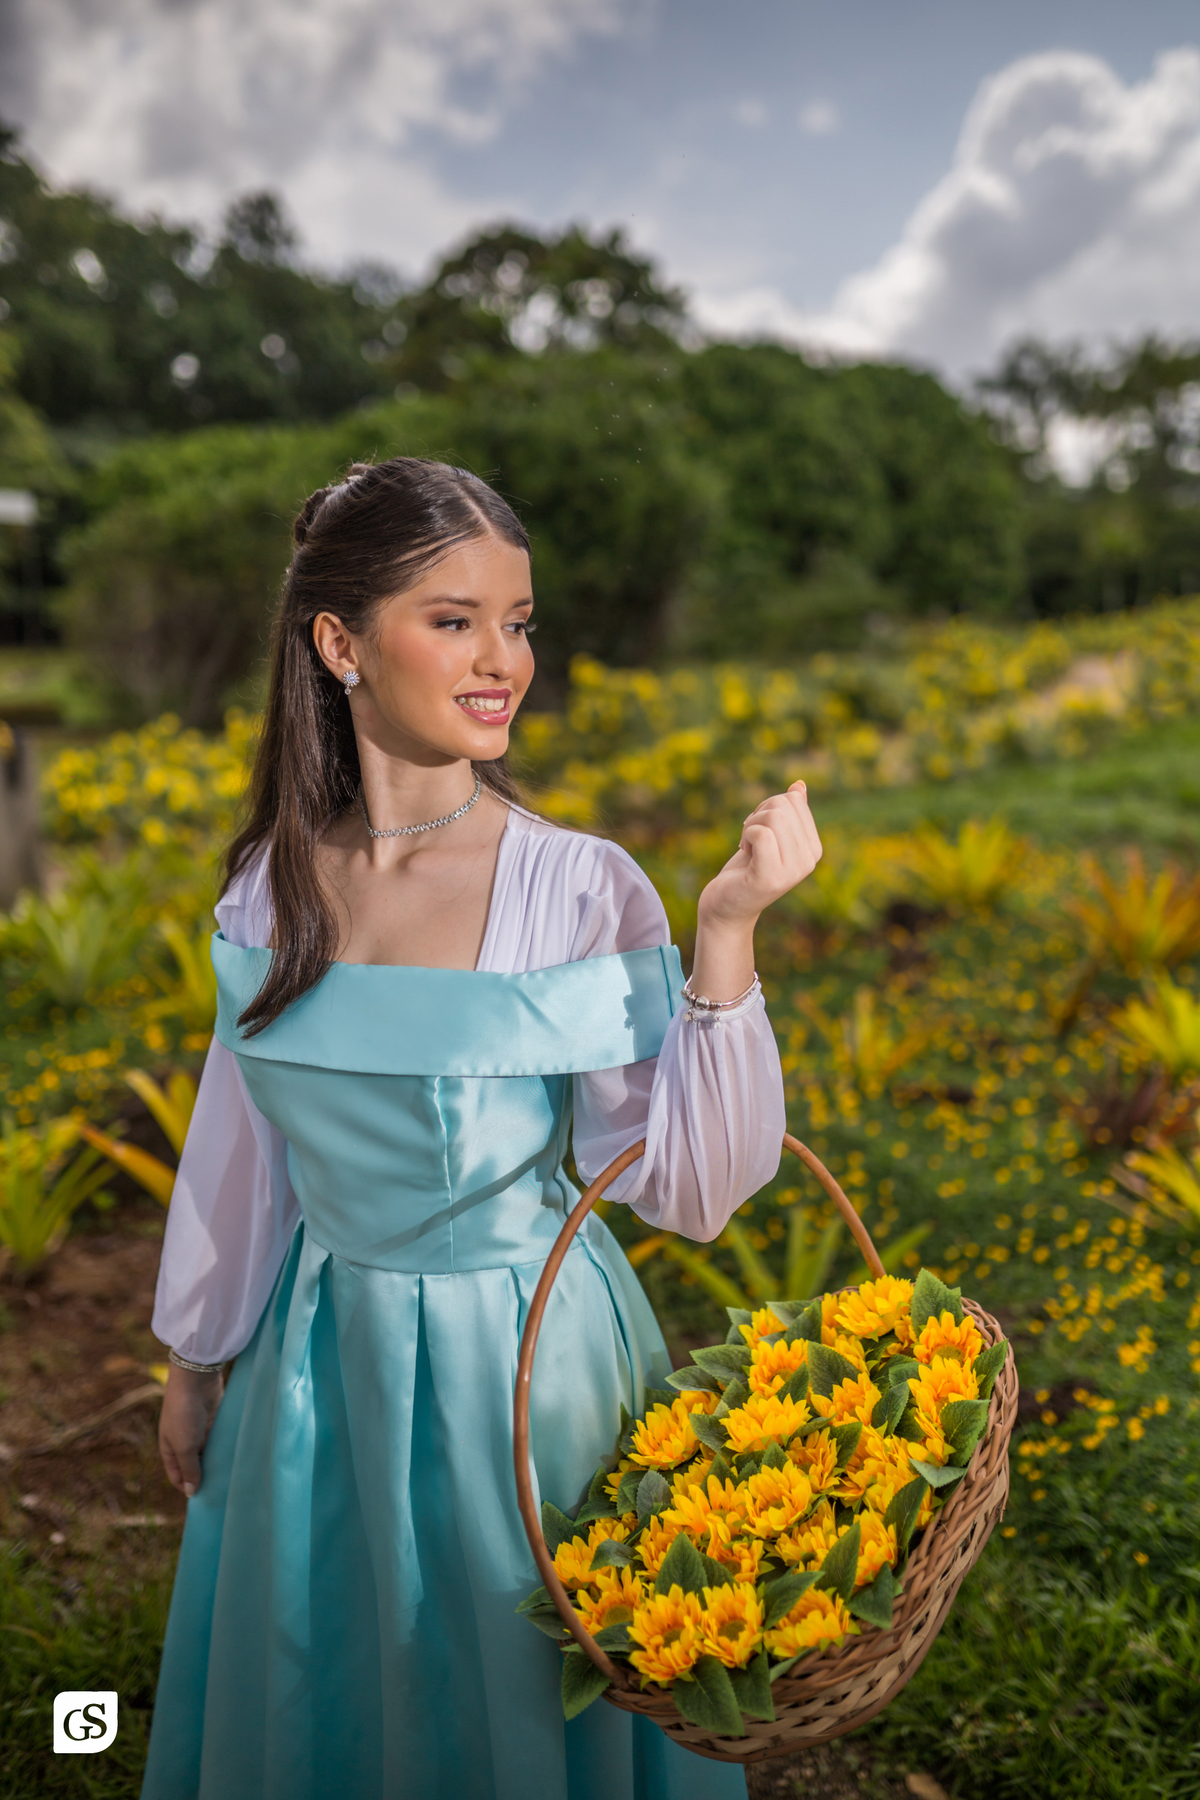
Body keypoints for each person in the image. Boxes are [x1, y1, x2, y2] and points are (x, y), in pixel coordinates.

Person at [141, 457, 822, 1800]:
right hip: (313, 1363)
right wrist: (198, 1352)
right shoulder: (268, 887)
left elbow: (684, 1191)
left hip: (526, 1361)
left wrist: (727, 934)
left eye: (517, 622)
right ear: (340, 643)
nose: (502, 659)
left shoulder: (579, 887)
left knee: (510, 1686)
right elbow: (245, 1149)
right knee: (331, 1674)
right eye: (454, 620)